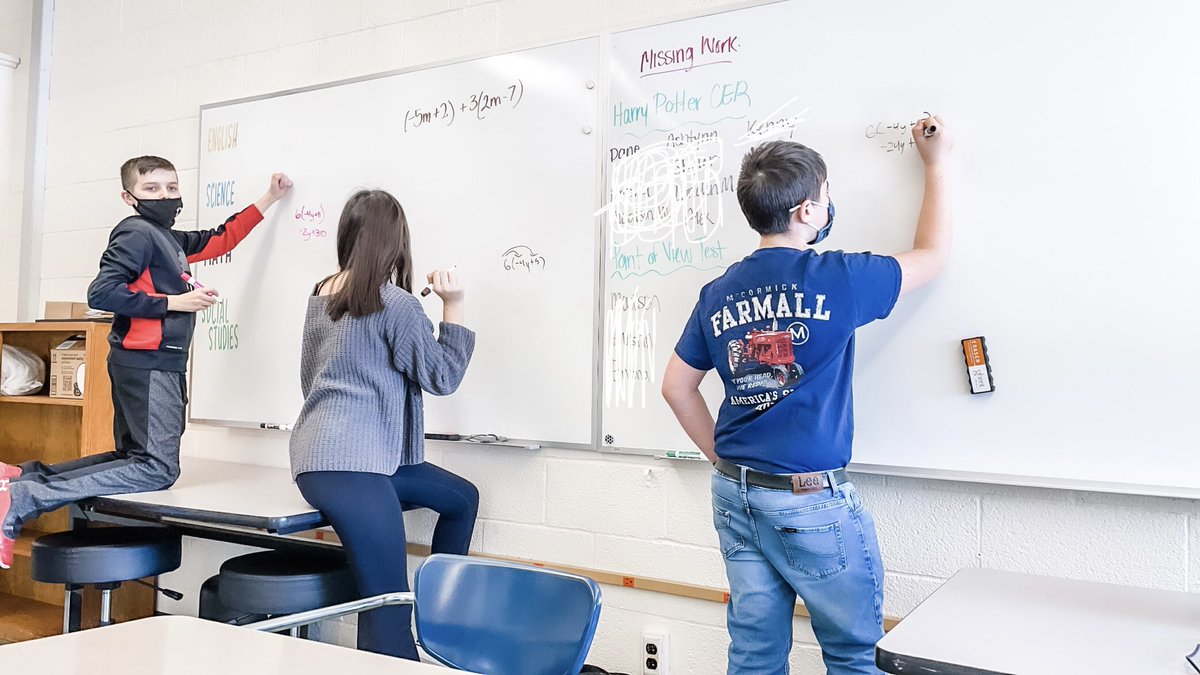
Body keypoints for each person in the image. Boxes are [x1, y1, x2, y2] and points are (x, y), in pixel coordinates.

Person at [661, 116, 953, 674]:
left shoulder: (718, 292)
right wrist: (936, 165)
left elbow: (676, 386)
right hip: (808, 497)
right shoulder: (838, 278)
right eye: (825, 196)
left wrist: (724, 461)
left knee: (755, 654)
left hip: (736, 492)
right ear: (806, 212)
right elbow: (932, 255)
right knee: (853, 654)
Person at [0, 156, 291, 569]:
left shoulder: (164, 237)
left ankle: (22, 478)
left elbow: (221, 239)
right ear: (129, 196)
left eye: (172, 188)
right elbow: (102, 293)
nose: (165, 196)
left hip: (143, 362)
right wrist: (174, 303)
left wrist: (269, 198)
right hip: (150, 363)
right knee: (156, 469)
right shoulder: (137, 233)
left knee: (133, 458)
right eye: (152, 189)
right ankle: (23, 497)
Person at [288, 188, 478, 660]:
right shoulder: (395, 303)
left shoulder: (322, 292)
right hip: (350, 467)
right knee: (387, 603)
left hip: (329, 459)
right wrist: (454, 304)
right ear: (396, 241)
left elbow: (309, 376)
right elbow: (442, 376)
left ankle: (441, 615)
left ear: (348, 235)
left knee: (461, 499)